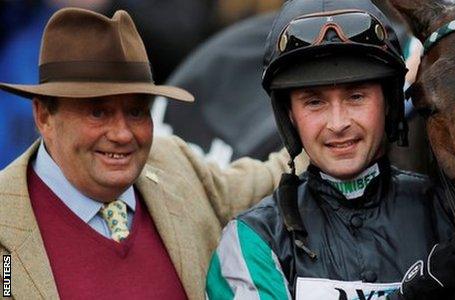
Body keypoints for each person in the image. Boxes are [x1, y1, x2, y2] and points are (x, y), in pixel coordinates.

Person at [0, 8, 305, 299]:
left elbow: (271, 180)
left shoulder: (174, 165)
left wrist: (330, 128)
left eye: (136, 112)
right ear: (43, 116)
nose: (121, 134)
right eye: (97, 112)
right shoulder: (6, 239)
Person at [205, 0, 455, 299]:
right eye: (314, 102)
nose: (338, 123)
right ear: (290, 115)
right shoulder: (251, 242)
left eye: (356, 96)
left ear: (389, 102)